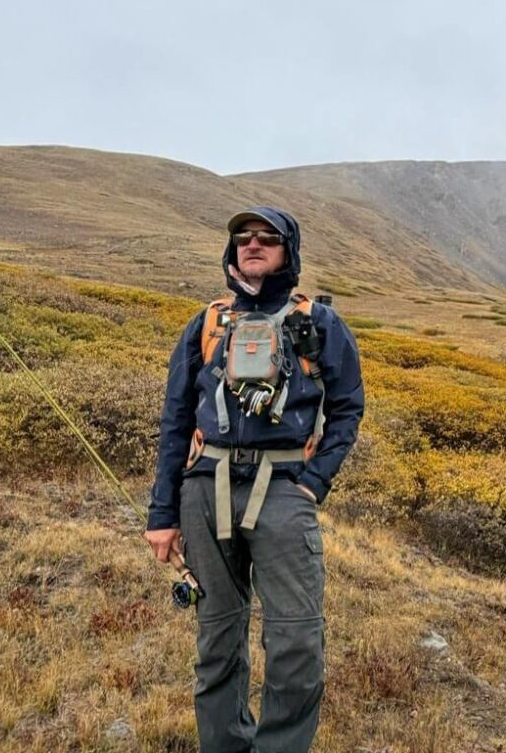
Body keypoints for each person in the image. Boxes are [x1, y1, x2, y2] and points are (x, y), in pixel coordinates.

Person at [145, 206, 365, 752]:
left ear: (288, 250)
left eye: (268, 237)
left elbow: (348, 409)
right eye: (243, 236)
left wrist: (314, 483)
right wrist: (163, 514)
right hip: (204, 489)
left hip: (285, 493)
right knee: (216, 641)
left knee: (296, 642)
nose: (253, 244)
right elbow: (175, 419)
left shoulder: (321, 324)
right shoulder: (206, 323)